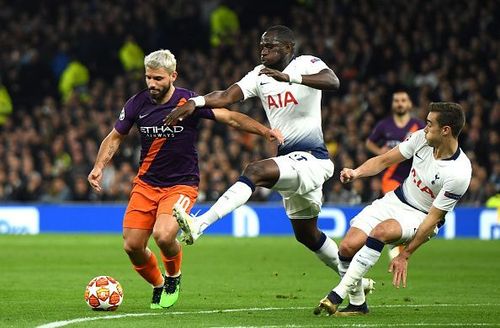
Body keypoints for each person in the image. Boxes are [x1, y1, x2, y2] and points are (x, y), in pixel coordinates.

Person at [165, 25, 375, 294]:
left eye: (270, 46)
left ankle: (199, 224)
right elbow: (227, 96)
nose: (263, 51)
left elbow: (333, 82)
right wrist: (197, 102)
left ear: (287, 48)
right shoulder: (259, 75)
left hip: (313, 159)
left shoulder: (307, 63)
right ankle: (356, 285)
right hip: (291, 160)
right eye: (261, 46)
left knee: (254, 171)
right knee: (307, 235)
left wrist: (290, 78)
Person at [88, 49, 283, 309]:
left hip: (181, 183)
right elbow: (115, 137)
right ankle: (158, 284)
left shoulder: (189, 101)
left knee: (164, 236)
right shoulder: (137, 103)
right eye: (148, 78)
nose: (151, 84)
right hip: (146, 184)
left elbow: (230, 117)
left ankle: (173, 278)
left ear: (173, 76)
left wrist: (265, 131)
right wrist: (99, 166)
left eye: (158, 78)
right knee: (132, 245)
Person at [314, 102, 472, 316]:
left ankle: (336, 295)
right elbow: (384, 160)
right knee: (347, 248)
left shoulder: (459, 172)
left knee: (381, 231)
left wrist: (405, 255)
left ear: (446, 130)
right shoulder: (420, 139)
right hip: (396, 200)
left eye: (429, 124)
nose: (424, 128)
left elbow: (434, 218)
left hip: (422, 217)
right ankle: (358, 304)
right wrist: (356, 173)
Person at [366, 90, 425, 259]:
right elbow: (370, 143)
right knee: (396, 212)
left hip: (414, 178)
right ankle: (394, 246)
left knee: (407, 214)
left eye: (403, 100)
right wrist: (379, 151)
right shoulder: (384, 125)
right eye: (396, 100)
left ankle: (395, 241)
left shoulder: (419, 126)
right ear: (393, 104)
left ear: (409, 104)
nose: (400, 103)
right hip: (391, 176)